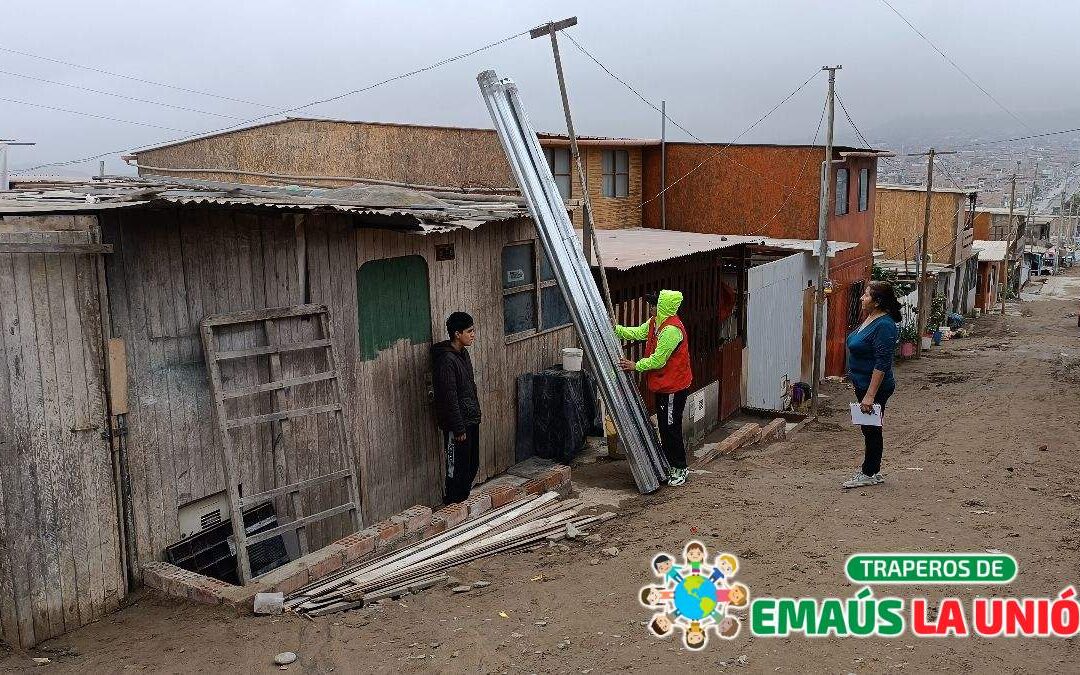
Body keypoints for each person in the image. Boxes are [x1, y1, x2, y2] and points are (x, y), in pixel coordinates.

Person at [615, 290, 693, 486]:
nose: (650, 307)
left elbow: (658, 360)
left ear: (663, 307)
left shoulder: (671, 331)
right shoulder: (655, 323)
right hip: (664, 385)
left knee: (670, 428)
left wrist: (636, 365)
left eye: (653, 305)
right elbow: (638, 333)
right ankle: (670, 464)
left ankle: (680, 468)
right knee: (665, 427)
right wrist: (616, 330)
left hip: (674, 387)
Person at [842, 281, 902, 489]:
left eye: (866, 295)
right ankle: (873, 471)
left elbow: (882, 363)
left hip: (874, 387)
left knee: (871, 429)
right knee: (869, 429)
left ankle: (869, 473)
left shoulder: (884, 325)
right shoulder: (871, 318)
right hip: (863, 383)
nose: (861, 298)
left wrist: (869, 395)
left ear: (877, 302)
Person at [431, 312, 481, 504]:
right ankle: (452, 503)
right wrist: (458, 428)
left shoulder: (463, 354)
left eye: (473, 330)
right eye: (469, 331)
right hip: (457, 425)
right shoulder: (446, 360)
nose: (473, 334)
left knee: (472, 464)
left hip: (470, 418)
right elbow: (449, 397)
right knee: (455, 469)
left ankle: (461, 503)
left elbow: (469, 388)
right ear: (457, 334)